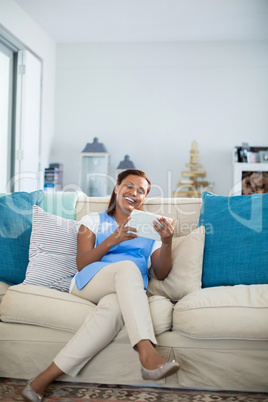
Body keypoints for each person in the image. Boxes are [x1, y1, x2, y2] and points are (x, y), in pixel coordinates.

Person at [22, 169, 180, 402]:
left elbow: (162, 273)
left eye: (141, 191)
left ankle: (40, 381)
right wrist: (112, 239)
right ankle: (146, 350)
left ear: (144, 198)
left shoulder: (150, 230)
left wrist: (167, 242)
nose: (134, 193)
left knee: (113, 309)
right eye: (129, 186)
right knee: (128, 267)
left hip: (124, 290)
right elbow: (82, 263)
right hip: (89, 282)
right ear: (117, 188)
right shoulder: (93, 220)